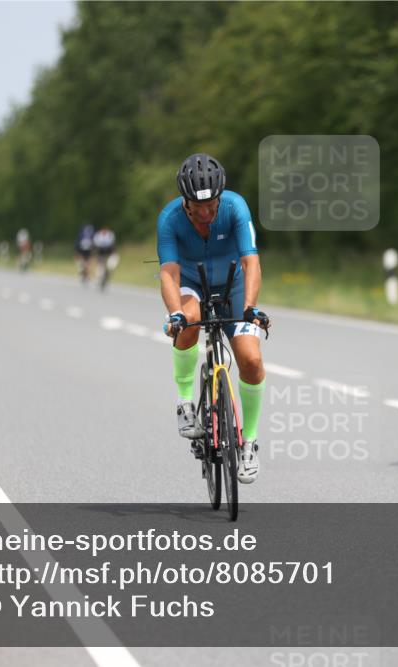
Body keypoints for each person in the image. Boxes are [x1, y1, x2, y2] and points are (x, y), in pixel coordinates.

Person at [158, 153, 271, 484]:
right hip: (193, 283)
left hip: (234, 285)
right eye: (198, 206)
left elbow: (251, 261)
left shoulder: (236, 207)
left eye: (213, 205)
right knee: (189, 320)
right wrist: (175, 314)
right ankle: (184, 404)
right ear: (185, 202)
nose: (207, 213)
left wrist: (250, 307)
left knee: (251, 359)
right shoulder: (169, 218)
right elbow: (169, 272)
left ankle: (248, 443)